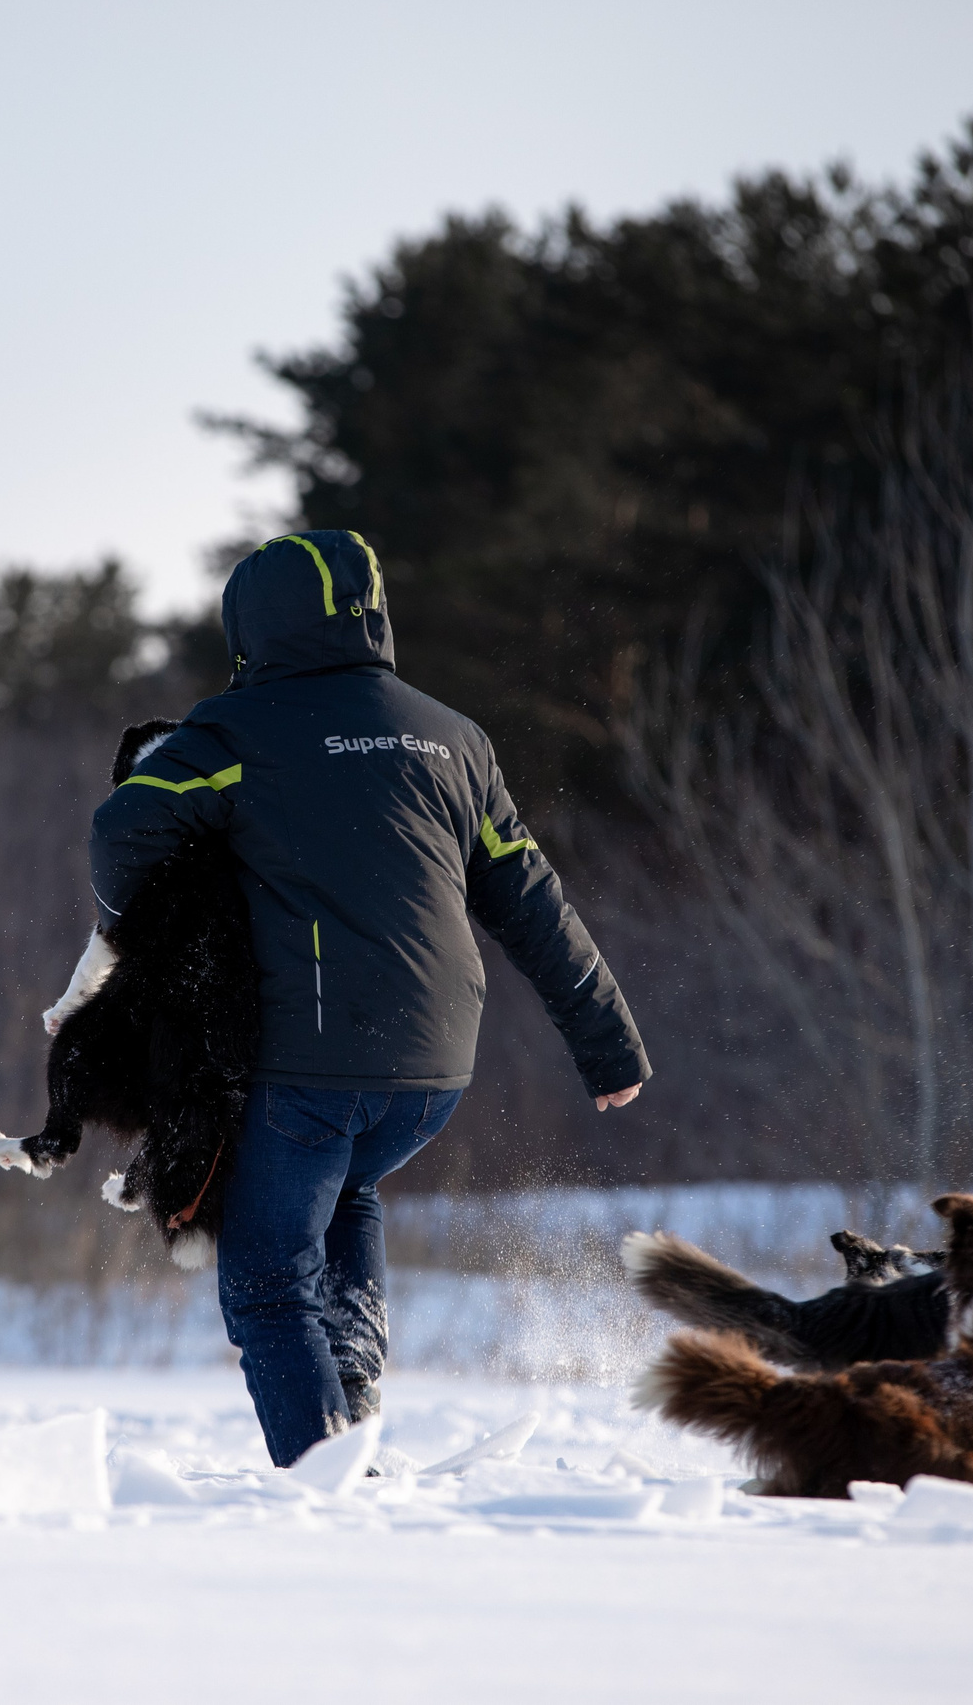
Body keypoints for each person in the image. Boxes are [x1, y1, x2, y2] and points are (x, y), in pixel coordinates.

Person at [87, 531, 650, 1467]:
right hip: (431, 1073)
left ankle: (327, 1482)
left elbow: (120, 833)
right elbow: (532, 899)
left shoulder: (232, 732)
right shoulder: (454, 737)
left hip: (309, 1063)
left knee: (268, 1282)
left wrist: (148, 931)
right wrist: (608, 1043)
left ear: (250, 631)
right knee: (344, 1180)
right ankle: (351, 1371)